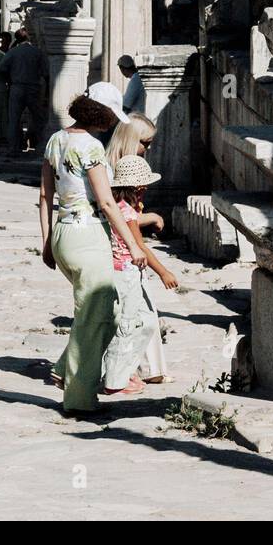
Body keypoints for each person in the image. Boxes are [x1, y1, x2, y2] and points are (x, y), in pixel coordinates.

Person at [38, 91, 146, 416]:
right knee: (94, 318)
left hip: (62, 232)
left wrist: (46, 241)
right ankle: (79, 398)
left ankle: (63, 368)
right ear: (101, 113)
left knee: (103, 312)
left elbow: (45, 195)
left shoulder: (55, 139)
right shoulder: (92, 147)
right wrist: (132, 244)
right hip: (87, 235)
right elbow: (107, 202)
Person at [97, 156, 166, 397]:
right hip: (126, 273)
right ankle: (115, 380)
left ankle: (123, 373)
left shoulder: (121, 208)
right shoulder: (125, 212)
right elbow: (141, 246)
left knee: (145, 323)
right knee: (129, 326)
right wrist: (163, 272)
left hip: (124, 271)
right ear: (138, 188)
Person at [0, 27, 48, 154]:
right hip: (33, 87)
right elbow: (45, 72)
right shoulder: (37, 52)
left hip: (17, 87)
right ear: (29, 38)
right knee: (38, 119)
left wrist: (9, 80)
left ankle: (13, 149)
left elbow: (1, 68)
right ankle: (41, 146)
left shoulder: (13, 52)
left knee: (14, 119)